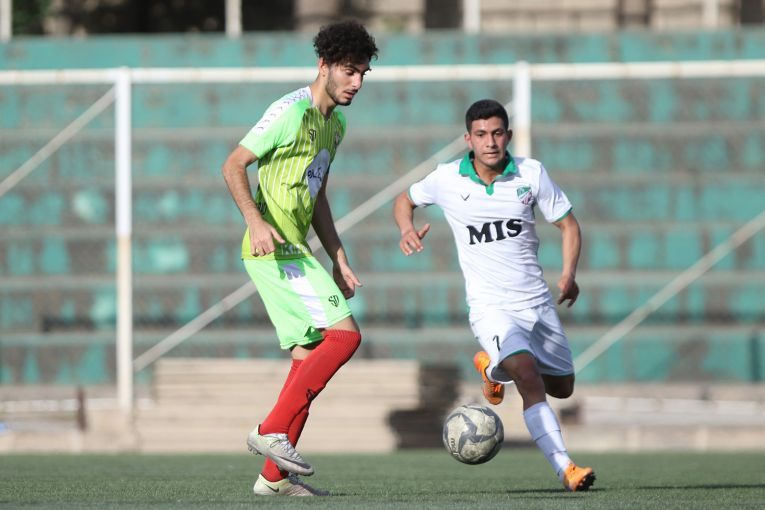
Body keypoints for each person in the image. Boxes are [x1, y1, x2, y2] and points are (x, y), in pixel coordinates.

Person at [393, 99, 596, 492]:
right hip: (491, 307)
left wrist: (569, 274)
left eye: (497, 133)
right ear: (468, 139)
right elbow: (405, 200)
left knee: (562, 387)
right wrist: (406, 228)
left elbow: (569, 226)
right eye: (481, 134)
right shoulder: (447, 178)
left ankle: (490, 369)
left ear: (509, 136)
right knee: (529, 377)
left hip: (537, 303)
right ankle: (566, 468)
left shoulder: (531, 174)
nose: (490, 142)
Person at [221, 20, 378, 497]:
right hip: (274, 251)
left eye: (363, 73)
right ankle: (271, 429)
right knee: (345, 336)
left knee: (306, 357)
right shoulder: (289, 111)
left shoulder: (336, 124)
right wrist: (254, 220)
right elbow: (233, 164)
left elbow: (318, 194)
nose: (356, 82)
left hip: (298, 250)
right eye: (349, 71)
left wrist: (338, 256)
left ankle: (274, 479)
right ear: (323, 65)